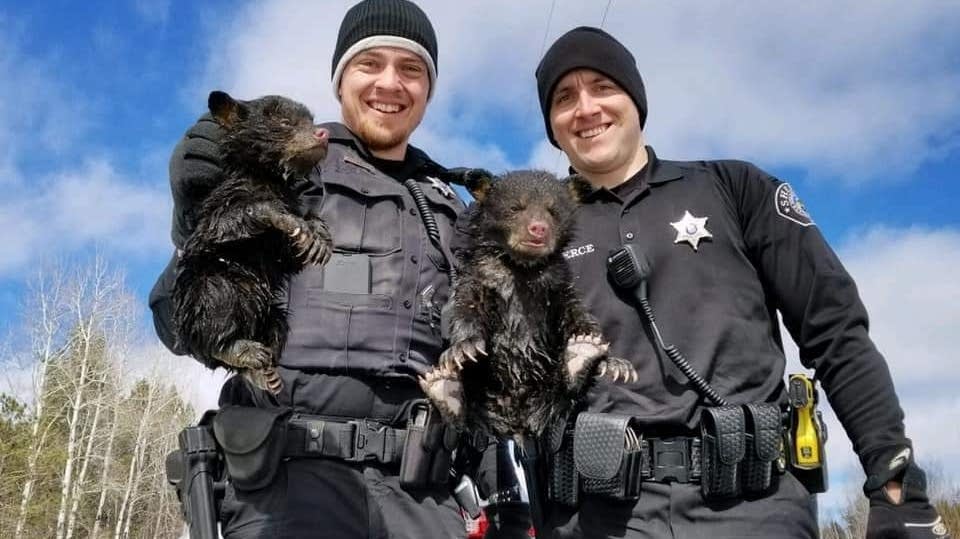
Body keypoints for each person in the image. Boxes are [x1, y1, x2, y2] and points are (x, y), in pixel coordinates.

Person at [530, 26, 952, 539]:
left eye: (602, 86)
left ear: (636, 99)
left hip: (753, 509)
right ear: (553, 125)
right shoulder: (538, 232)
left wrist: (894, 481)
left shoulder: (735, 187)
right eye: (564, 97)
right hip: (595, 516)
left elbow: (835, 331)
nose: (586, 108)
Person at [148, 1, 524, 537]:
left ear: (429, 89)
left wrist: (510, 507)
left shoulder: (450, 208)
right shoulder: (277, 170)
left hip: (423, 494)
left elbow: (480, 373)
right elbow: (176, 325)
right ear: (340, 79)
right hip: (286, 491)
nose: (390, 83)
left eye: (411, 68)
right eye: (369, 64)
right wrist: (192, 224)